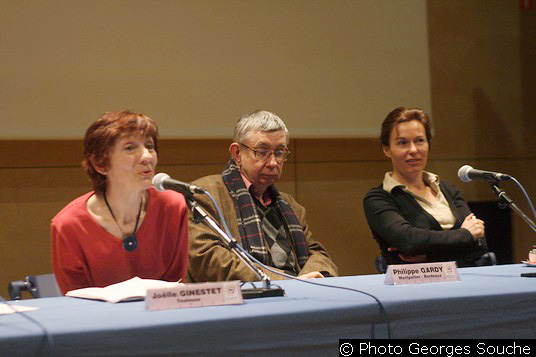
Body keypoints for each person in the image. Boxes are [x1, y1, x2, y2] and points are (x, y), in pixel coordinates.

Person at [187, 110, 338, 282]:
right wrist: (289, 283)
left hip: (297, 296)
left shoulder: (291, 205)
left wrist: (309, 278)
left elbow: (317, 254)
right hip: (241, 302)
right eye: (262, 151)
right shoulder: (204, 194)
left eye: (279, 152)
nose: (273, 163)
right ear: (237, 153)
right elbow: (207, 260)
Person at [51, 110, 188, 294]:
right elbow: (76, 300)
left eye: (150, 146)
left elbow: (176, 286)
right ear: (100, 163)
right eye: (130, 148)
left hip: (164, 315)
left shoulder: (174, 207)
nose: (147, 156)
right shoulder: (69, 225)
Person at [363, 107, 487, 267]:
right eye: (402, 143)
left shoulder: (448, 189)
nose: (413, 150)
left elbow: (480, 243)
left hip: (464, 282)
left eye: (419, 141)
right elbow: (409, 242)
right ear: (387, 149)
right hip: (413, 288)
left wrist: (429, 255)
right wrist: (465, 236)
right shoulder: (378, 198)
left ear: (428, 144)